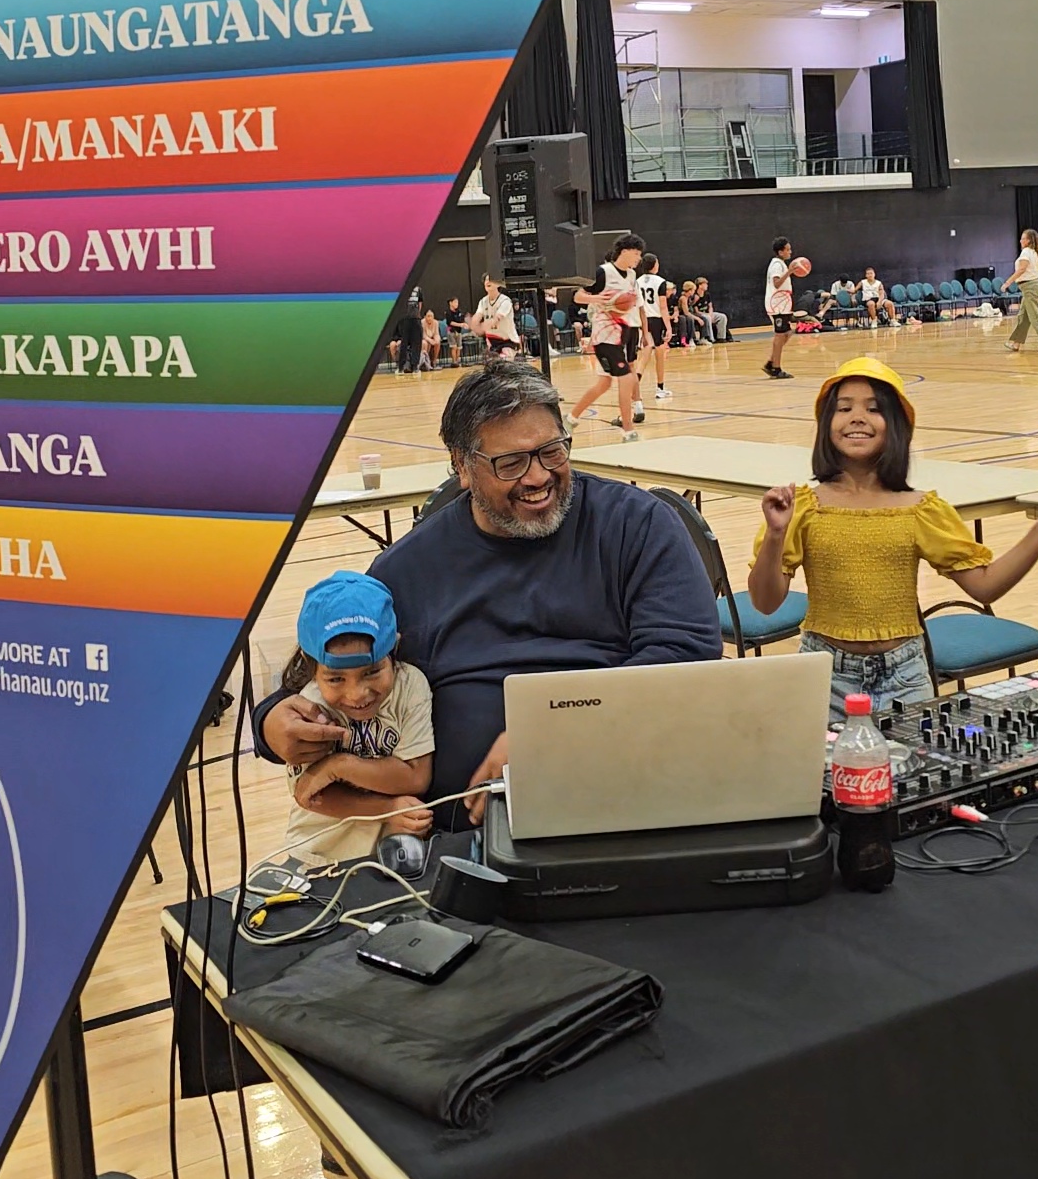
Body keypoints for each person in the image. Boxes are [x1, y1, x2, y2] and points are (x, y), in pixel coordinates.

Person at [254, 363, 722, 822]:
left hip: (630, 802)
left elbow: (686, 657)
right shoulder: (406, 569)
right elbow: (332, 663)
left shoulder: (637, 525)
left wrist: (555, 728)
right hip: (460, 835)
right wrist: (271, 722)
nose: (537, 477)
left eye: (552, 451)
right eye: (511, 463)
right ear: (462, 466)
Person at [748, 357, 1038, 722]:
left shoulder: (920, 509)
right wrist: (776, 534)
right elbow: (765, 603)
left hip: (904, 677)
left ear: (898, 427)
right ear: (826, 425)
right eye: (844, 408)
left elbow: (985, 587)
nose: (857, 417)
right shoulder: (803, 507)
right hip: (824, 676)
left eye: (874, 409)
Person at [276, 572, 434, 865]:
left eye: (372, 672)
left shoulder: (411, 686)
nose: (357, 694)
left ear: (394, 648)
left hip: (391, 845)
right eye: (336, 679)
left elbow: (416, 777)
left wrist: (338, 766)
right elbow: (309, 795)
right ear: (311, 667)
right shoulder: (308, 707)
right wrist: (387, 809)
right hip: (317, 850)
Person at [565, 233, 646, 440]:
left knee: (604, 384)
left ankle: (571, 419)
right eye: (636, 254)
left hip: (622, 333)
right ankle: (628, 430)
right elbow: (577, 296)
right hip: (605, 335)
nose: (639, 258)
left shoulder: (631, 276)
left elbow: (629, 304)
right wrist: (596, 298)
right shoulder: (603, 272)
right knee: (626, 378)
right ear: (625, 251)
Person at [636, 252, 672, 402]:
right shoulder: (661, 282)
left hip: (642, 319)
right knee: (659, 354)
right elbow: (663, 307)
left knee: (645, 353)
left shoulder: (637, 281)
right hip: (656, 319)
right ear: (654, 265)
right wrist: (668, 327)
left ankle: (635, 385)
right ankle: (660, 388)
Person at [763, 238, 795, 379]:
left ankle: (771, 362)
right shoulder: (777, 265)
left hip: (783, 304)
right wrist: (789, 272)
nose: (790, 252)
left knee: (788, 332)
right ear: (780, 252)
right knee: (780, 335)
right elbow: (776, 283)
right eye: (787, 249)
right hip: (777, 304)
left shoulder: (780, 263)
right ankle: (776, 368)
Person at [469, 274, 521, 360]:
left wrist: (481, 327)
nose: (487, 282)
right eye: (486, 280)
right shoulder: (483, 301)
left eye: (490, 279)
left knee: (504, 363)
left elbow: (496, 319)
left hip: (507, 341)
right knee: (492, 365)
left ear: (498, 284)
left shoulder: (505, 301)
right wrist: (473, 323)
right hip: (492, 341)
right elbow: (478, 315)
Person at [693, 276, 730, 343]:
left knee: (722, 316)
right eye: (705, 284)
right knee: (707, 318)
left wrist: (710, 313)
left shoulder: (707, 294)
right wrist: (707, 315)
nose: (707, 285)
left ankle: (721, 337)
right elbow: (696, 311)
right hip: (700, 314)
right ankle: (711, 338)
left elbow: (710, 306)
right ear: (700, 285)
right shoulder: (695, 296)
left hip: (708, 313)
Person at [397, 285, 423, 374]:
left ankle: (414, 366)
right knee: (405, 343)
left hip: (414, 318)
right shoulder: (402, 286)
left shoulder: (418, 289)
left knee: (415, 343)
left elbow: (420, 302)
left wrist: (417, 314)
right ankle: (402, 367)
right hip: (406, 318)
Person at [444, 296, 467, 367]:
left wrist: (464, 324)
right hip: (451, 331)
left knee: (459, 347)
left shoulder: (459, 312)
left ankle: (457, 361)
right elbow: (450, 322)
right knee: (454, 347)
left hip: (459, 331)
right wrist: (460, 325)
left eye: (457, 302)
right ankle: (454, 361)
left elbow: (462, 320)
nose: (457, 304)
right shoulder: (448, 312)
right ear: (450, 303)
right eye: (455, 302)